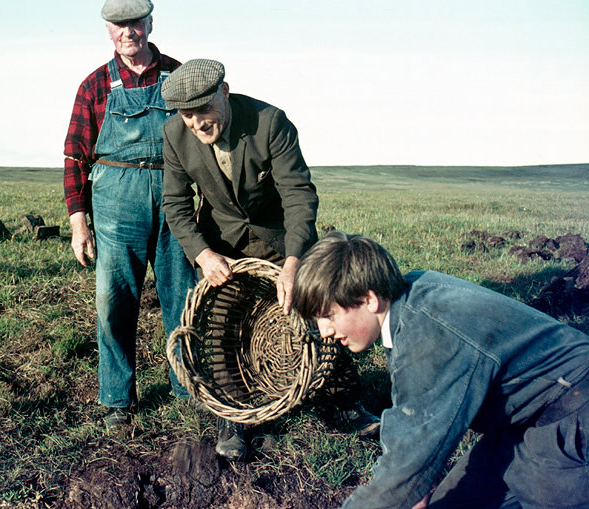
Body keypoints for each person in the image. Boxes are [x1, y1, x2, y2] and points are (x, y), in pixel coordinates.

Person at [160, 59, 380, 461]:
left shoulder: (269, 122)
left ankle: (344, 404)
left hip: (281, 239)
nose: (195, 123)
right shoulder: (174, 135)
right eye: (186, 115)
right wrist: (203, 254)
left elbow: (298, 194)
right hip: (220, 246)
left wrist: (296, 260)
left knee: (319, 310)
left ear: (224, 93)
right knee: (221, 328)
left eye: (202, 111)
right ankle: (235, 421)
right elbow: (175, 205)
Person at [291, 231, 589, 508]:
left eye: (329, 315)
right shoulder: (407, 299)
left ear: (369, 299)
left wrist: (408, 481)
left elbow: (405, 470)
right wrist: (412, 484)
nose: (324, 331)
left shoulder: (430, 334)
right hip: (519, 423)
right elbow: (410, 423)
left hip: (569, 423)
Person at [62, 0, 196, 429]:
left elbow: (204, 142)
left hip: (174, 195)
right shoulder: (95, 85)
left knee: (184, 297)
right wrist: (78, 221)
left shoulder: (178, 75)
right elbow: (76, 156)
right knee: (114, 300)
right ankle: (118, 399)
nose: (128, 32)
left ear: (150, 24)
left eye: (136, 23)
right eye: (119, 26)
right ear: (108, 31)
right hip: (116, 201)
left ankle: (186, 386)